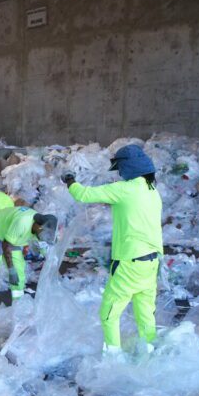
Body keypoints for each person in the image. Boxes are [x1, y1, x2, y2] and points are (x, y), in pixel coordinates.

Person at [63, 144, 163, 355]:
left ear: (128, 167)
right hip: (152, 260)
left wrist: (70, 180)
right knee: (145, 311)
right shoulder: (152, 190)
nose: (119, 173)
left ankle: (113, 359)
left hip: (130, 260)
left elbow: (83, 195)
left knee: (109, 312)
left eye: (120, 169)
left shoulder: (124, 189)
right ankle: (150, 351)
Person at [0, 206, 57, 310]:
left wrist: (50, 259)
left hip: (11, 232)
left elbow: (43, 246)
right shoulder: (22, 223)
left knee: (19, 267)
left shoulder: (39, 227)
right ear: (38, 226)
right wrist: (11, 270)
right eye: (45, 232)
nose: (46, 235)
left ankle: (18, 302)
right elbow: (6, 245)